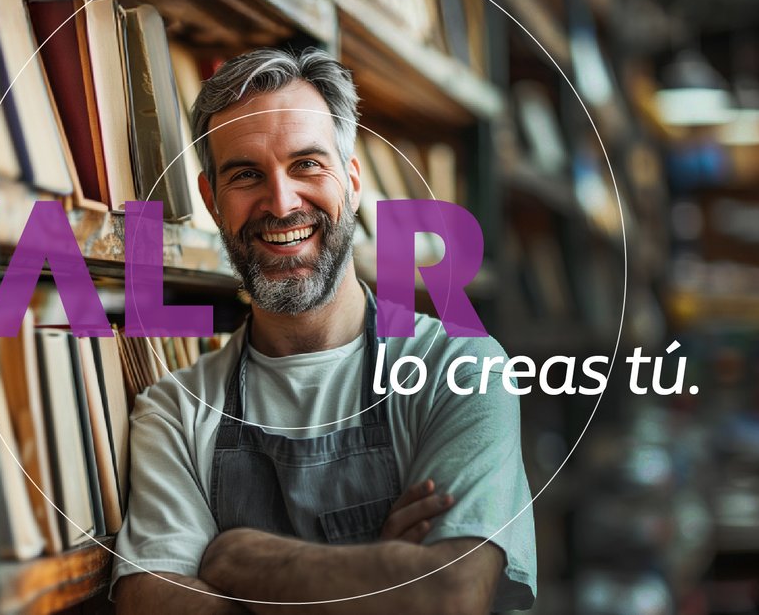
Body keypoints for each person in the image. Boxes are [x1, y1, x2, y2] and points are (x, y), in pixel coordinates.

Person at [111, 47, 536, 614]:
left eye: (307, 164)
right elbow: (149, 601)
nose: (281, 203)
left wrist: (237, 558)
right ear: (212, 201)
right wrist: (380, 576)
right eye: (246, 174)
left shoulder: (458, 367)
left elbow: (449, 593)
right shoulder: (175, 411)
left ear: (352, 182)